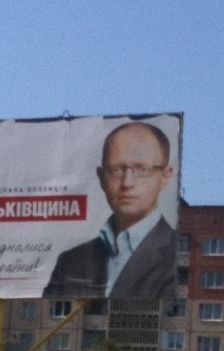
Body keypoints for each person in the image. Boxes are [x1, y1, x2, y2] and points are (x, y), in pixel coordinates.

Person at [45, 121, 176, 299]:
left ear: (165, 176)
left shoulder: (175, 257)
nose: (127, 183)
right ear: (101, 177)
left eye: (142, 169)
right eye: (116, 170)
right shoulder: (70, 261)